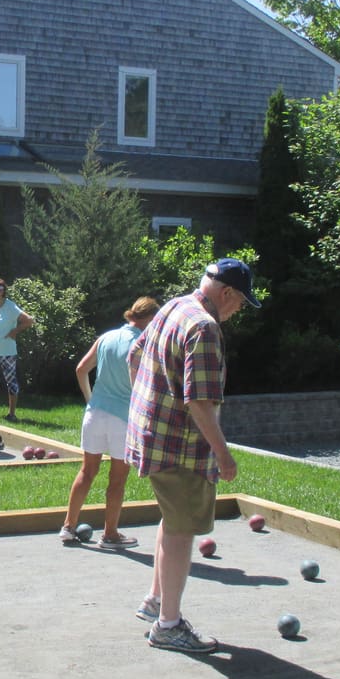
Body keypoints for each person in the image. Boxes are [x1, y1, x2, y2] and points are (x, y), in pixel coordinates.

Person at [125, 258, 260, 652]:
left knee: (173, 519)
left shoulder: (173, 306)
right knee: (183, 530)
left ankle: (155, 601)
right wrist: (225, 456)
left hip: (150, 436)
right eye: (240, 303)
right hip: (179, 447)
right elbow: (200, 403)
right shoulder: (204, 327)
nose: (238, 311)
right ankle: (168, 626)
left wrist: (148, 404)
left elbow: (135, 357)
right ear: (227, 293)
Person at [59, 296, 161, 551]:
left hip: (95, 414)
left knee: (86, 472)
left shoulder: (106, 337)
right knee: (117, 480)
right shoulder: (142, 344)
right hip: (123, 419)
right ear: (148, 320)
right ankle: (110, 534)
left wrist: (91, 400)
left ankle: (68, 527)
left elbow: (81, 369)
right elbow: (143, 386)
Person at [0, 277, 34, 422]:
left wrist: (14, 332)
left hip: (7, 352)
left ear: (1, 292)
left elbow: (29, 320)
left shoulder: (11, 307)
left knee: (11, 382)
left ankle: (12, 414)